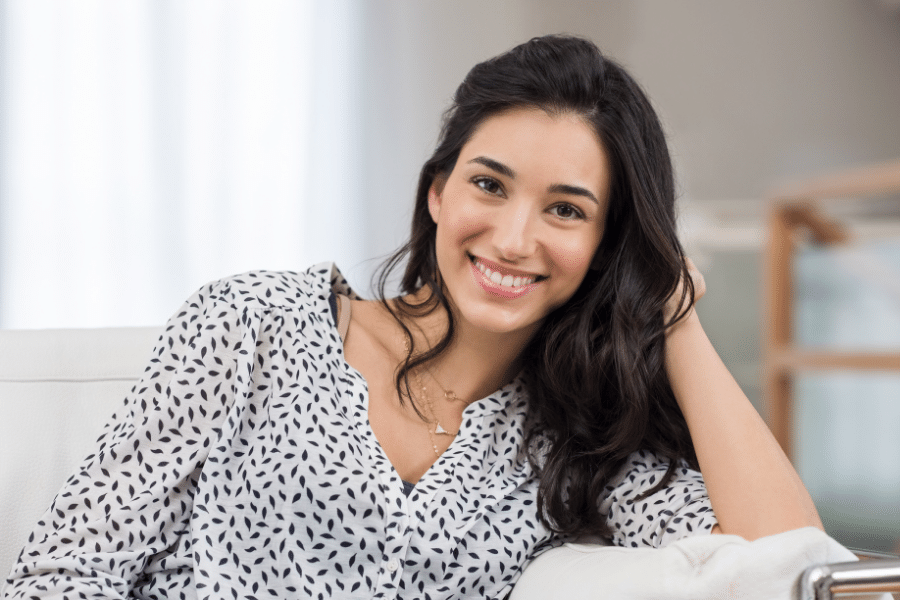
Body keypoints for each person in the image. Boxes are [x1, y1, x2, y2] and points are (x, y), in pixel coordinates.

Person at [2, 34, 821, 600]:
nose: (512, 237)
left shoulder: (579, 442)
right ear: (437, 192)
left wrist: (672, 311)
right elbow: (63, 575)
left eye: (566, 211)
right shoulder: (252, 323)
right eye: (489, 185)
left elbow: (792, 568)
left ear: (608, 246)